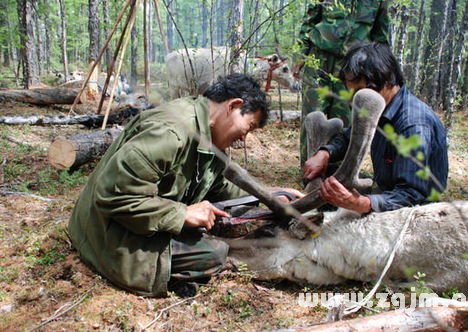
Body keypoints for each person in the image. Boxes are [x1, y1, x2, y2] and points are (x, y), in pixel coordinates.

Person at [68, 74, 301, 297]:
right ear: (233, 106)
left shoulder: (205, 131)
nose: (243, 138)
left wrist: (269, 196)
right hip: (103, 235)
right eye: (248, 127)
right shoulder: (170, 133)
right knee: (215, 253)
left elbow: (217, 185)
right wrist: (182, 214)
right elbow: (112, 195)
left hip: (123, 221)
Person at [303, 42, 448, 213]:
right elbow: (349, 136)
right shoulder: (379, 106)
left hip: (413, 212)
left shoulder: (412, 124)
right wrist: (325, 153)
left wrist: (360, 204)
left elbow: (412, 195)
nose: (354, 99)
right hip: (387, 194)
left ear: (386, 81)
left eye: (361, 91)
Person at [295, 0, 390, 167]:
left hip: (353, 65)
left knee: (343, 118)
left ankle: (334, 170)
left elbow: (380, 36)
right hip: (318, 58)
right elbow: (309, 21)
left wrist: (382, 69)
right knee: (312, 114)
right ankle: (308, 168)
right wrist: (300, 56)